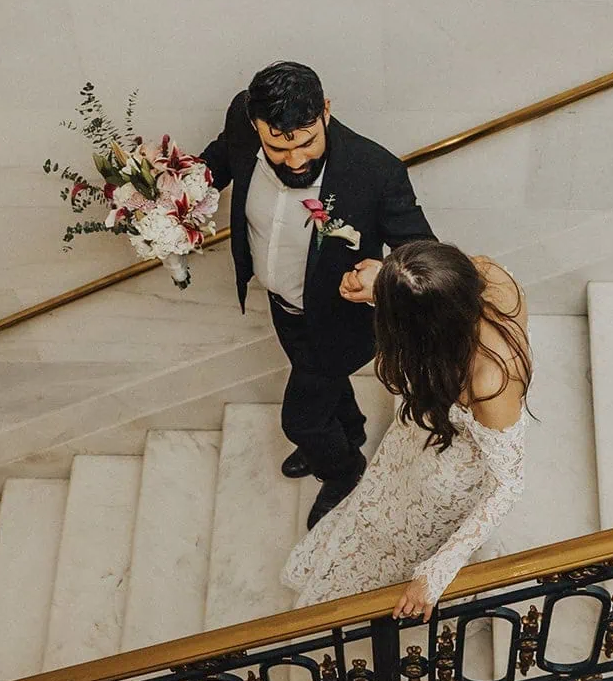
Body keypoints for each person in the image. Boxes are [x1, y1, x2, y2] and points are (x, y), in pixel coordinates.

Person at [199, 61, 437, 529]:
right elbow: (218, 161)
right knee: (318, 379)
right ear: (254, 125)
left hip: (341, 319)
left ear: (326, 111)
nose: (294, 160)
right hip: (284, 306)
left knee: (302, 420)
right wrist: (171, 199)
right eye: (277, 146)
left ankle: (343, 469)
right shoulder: (241, 125)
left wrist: (383, 277)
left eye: (306, 142)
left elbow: (426, 257)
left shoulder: (375, 171)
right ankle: (349, 430)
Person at [282, 240, 531, 621]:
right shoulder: (484, 273)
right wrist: (388, 278)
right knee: (371, 507)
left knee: (394, 538)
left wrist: (438, 571)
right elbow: (440, 278)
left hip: (447, 477)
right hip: (417, 438)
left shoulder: (489, 380)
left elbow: (508, 484)